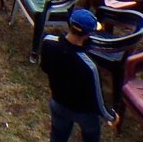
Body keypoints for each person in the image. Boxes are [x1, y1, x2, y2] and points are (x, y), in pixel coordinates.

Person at [40, 8, 118, 140]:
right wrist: (111, 116)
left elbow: (45, 67)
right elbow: (98, 99)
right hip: (84, 113)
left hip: (58, 103)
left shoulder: (48, 42)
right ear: (88, 35)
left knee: (57, 136)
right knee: (91, 136)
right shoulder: (89, 66)